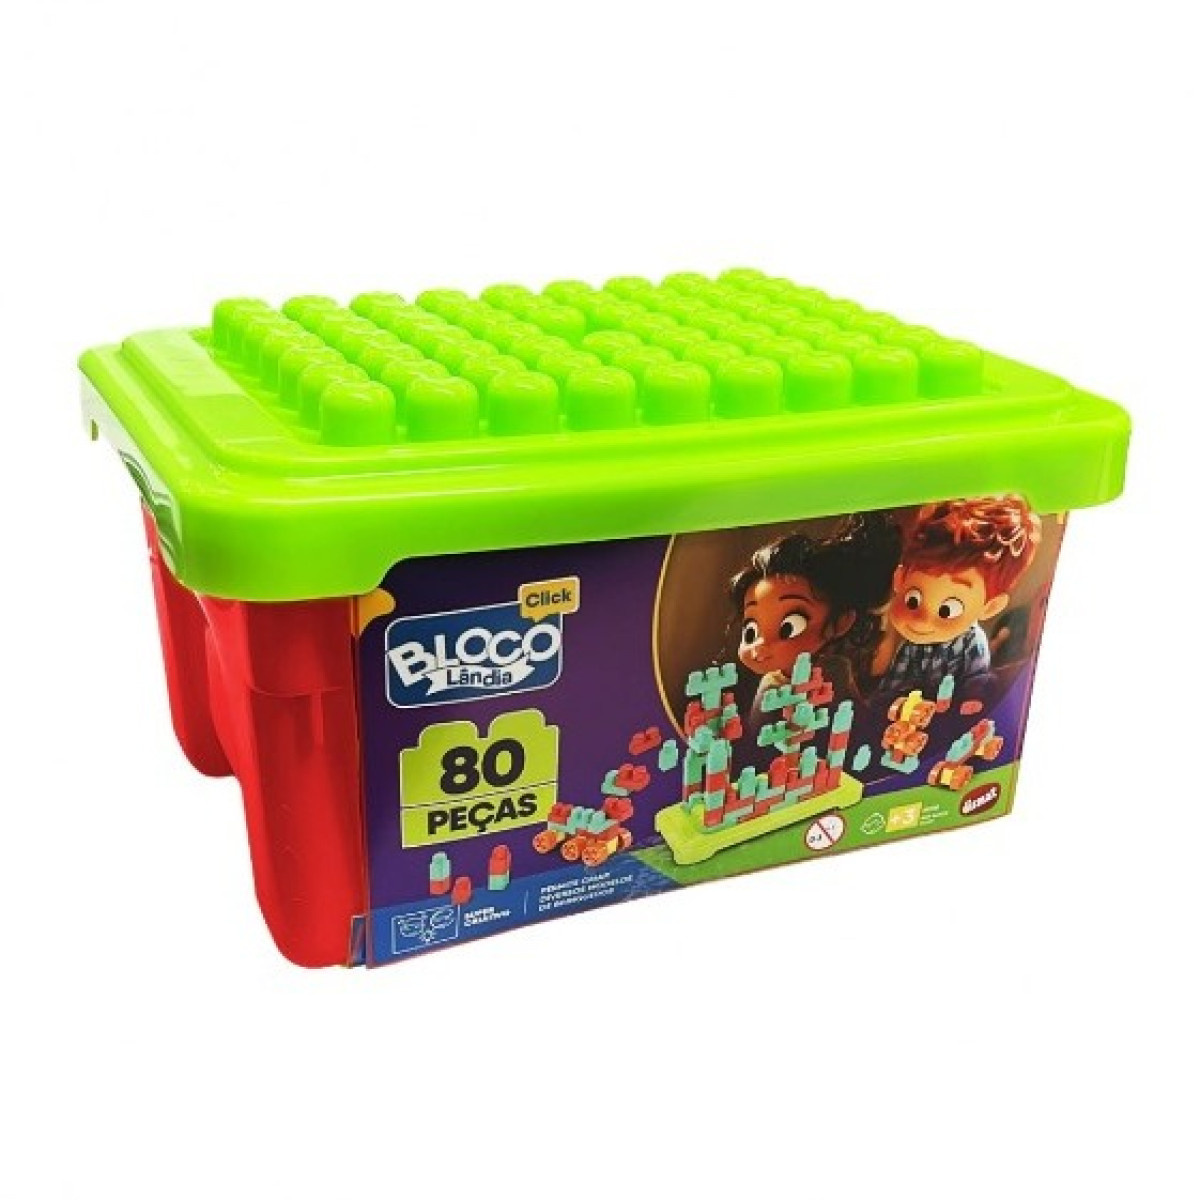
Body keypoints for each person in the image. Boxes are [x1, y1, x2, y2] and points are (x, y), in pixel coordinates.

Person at [878, 495, 1041, 698]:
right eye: (913, 600)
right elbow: (889, 690)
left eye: (947, 610)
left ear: (990, 607)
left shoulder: (972, 645)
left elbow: (974, 695)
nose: (922, 620)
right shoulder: (910, 647)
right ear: (900, 579)